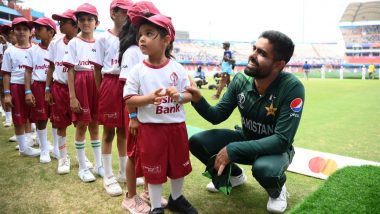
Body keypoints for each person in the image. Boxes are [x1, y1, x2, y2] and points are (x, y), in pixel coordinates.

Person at [187, 30, 304, 213]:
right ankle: (235, 176)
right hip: (246, 138)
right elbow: (217, 115)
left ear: (279, 65)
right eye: (254, 49)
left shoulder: (292, 88)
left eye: (262, 53)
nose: (252, 55)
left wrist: (232, 149)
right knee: (197, 142)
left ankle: (277, 190)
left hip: (275, 150)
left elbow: (282, 140)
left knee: (264, 169)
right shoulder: (241, 80)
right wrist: (197, 100)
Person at [125, 14, 198, 214]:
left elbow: (189, 95)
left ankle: (176, 198)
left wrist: (180, 96)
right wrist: (148, 99)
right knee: (153, 169)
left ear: (166, 40)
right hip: (151, 128)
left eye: (149, 34)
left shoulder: (178, 68)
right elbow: (129, 100)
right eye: (140, 34)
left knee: (178, 166)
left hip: (176, 127)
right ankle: (156, 207)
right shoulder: (137, 71)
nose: (142, 39)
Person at [119, 1, 165, 213]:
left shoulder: (150, 49)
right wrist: (133, 116)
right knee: (133, 153)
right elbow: (127, 90)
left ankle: (148, 191)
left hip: (148, 114)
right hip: (134, 112)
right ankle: (130, 196)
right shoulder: (132, 51)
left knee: (149, 152)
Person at [90, 0, 133, 197]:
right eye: (122, 11)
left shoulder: (132, 37)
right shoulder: (103, 38)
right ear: (113, 13)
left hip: (127, 84)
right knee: (108, 132)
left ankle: (123, 173)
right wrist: (102, 90)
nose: (125, 15)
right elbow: (97, 68)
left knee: (124, 130)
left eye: (128, 12)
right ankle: (108, 175)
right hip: (110, 82)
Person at [63, 3, 104, 182]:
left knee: (95, 124)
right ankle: (82, 167)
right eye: (82, 19)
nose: (86, 22)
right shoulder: (74, 42)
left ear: (97, 22)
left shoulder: (101, 42)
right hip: (81, 83)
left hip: (97, 83)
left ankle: (98, 165)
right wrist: (72, 96)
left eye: (90, 19)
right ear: (77, 23)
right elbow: (70, 70)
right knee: (82, 125)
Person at [45, 9, 79, 174]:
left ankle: (81, 157)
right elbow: (50, 67)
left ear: (74, 24)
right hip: (58, 88)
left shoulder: (82, 43)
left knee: (82, 125)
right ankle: (63, 158)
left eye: (63, 22)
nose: (59, 25)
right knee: (60, 125)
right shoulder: (55, 43)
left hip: (78, 89)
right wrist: (47, 88)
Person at [1, 17, 41, 157]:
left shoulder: (36, 49)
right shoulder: (9, 52)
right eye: (18, 29)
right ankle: (23, 148)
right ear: (14, 32)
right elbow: (6, 74)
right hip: (17, 86)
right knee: (19, 118)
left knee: (33, 116)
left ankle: (31, 140)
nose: (22, 32)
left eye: (25, 29)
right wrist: (7, 94)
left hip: (34, 86)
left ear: (31, 33)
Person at [24, 17, 58, 163]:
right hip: (38, 86)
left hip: (56, 86)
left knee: (57, 119)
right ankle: (44, 148)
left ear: (50, 32)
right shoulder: (33, 50)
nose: (35, 31)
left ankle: (57, 148)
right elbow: (27, 71)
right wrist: (28, 91)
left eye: (39, 29)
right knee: (41, 118)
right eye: (35, 29)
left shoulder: (58, 48)